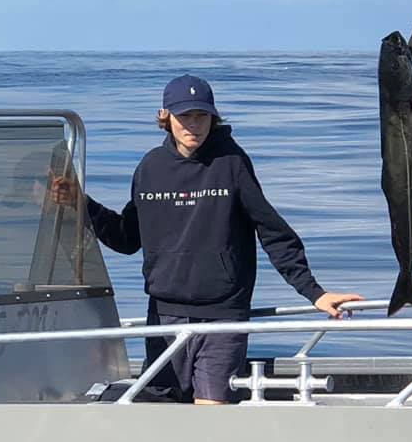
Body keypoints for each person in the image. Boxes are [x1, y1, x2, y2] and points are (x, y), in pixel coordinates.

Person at [61, 74, 362, 404]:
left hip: (222, 316)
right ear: (166, 117)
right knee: (161, 413)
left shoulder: (232, 163)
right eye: (184, 116)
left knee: (211, 413)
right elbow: (128, 238)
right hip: (163, 315)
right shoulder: (150, 167)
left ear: (213, 117)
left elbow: (274, 232)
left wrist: (313, 292)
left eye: (201, 116)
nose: (194, 126)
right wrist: (82, 204)